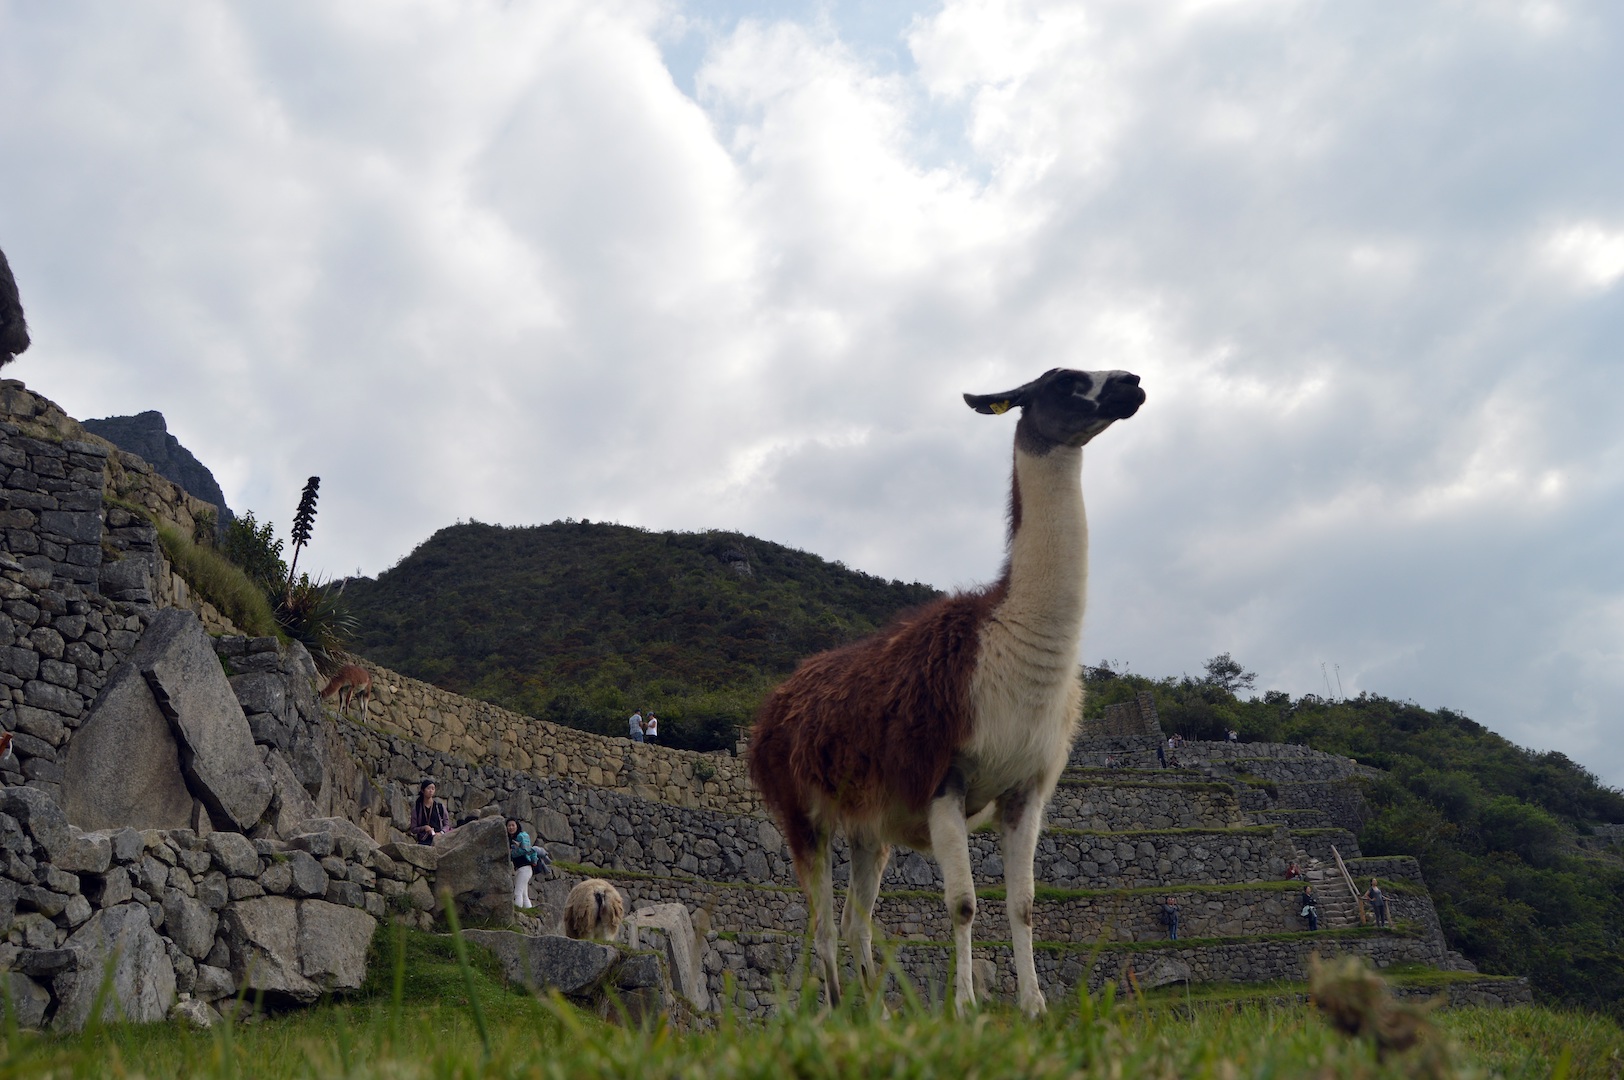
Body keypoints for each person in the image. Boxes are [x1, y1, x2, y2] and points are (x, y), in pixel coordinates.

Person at [507, 818, 545, 909]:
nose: (511, 827)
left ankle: (517, 911)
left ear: (517, 826)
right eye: (509, 825)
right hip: (522, 869)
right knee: (524, 894)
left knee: (517, 892)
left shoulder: (521, 836)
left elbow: (526, 849)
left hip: (524, 868)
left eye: (513, 825)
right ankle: (529, 911)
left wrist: (512, 853)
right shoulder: (512, 838)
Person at [409, 779, 451, 845]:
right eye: (428, 788)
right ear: (423, 790)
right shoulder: (417, 808)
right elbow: (413, 829)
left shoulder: (440, 807)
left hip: (439, 840)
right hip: (423, 841)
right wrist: (424, 828)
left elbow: (447, 824)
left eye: (433, 789)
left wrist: (441, 833)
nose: (431, 791)